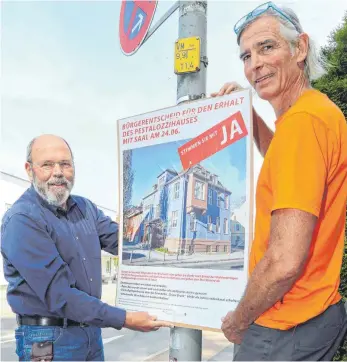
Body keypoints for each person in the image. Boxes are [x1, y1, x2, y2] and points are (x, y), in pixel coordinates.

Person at [212, 2, 347, 361]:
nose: (253, 63)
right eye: (245, 56)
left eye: (266, 47)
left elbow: (284, 262)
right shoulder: (308, 117)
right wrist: (250, 117)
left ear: (299, 49)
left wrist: (239, 321)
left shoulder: (304, 124)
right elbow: (287, 167)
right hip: (309, 317)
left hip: (284, 325)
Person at [1, 134, 172, 361]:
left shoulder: (85, 208)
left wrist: (156, 223)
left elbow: (124, 243)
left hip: (90, 332)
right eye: (47, 165)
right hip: (49, 340)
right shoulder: (22, 220)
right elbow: (60, 295)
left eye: (65, 164)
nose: (58, 172)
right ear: (29, 169)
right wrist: (125, 318)